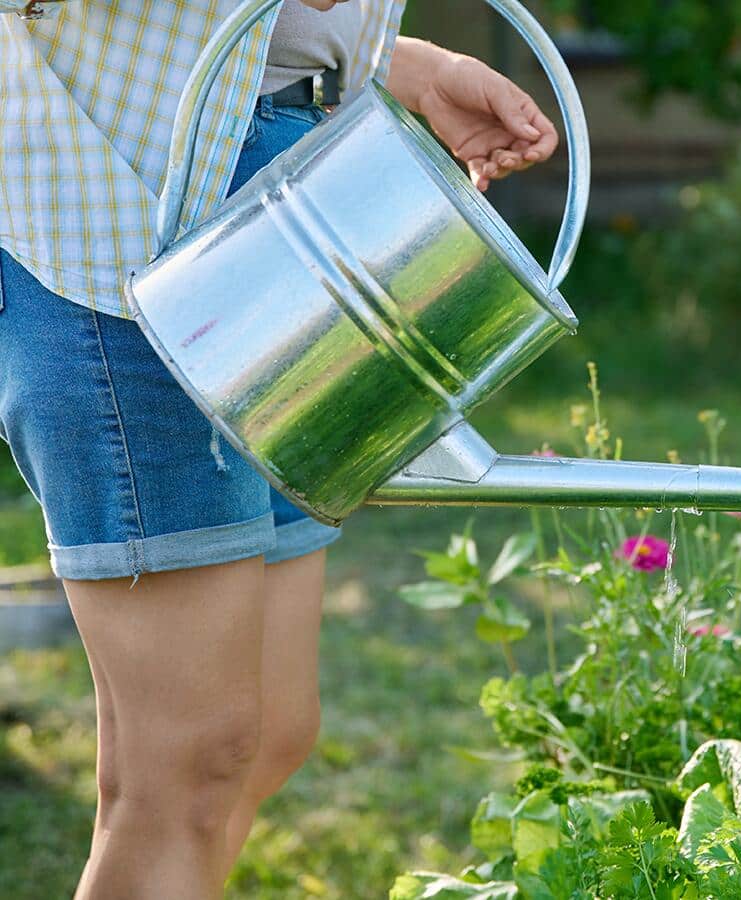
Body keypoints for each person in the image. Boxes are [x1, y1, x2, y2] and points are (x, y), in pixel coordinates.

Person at [0, 1, 559, 896]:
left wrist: (392, 64)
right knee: (189, 759)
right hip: (121, 221)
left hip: (293, 183)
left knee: (269, 734)